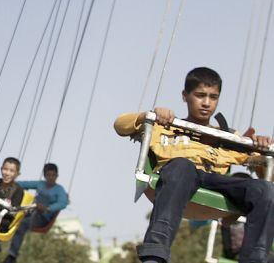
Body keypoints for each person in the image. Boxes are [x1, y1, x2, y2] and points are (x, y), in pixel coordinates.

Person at [114, 66, 274, 263]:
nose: (206, 103)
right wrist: (150, 114)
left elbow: (265, 171)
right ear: (185, 96)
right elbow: (120, 125)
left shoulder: (228, 137)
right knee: (182, 166)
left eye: (213, 97)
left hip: (215, 181)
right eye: (200, 95)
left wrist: (262, 147)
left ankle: (255, 259)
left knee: (266, 189)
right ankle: (155, 254)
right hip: (178, 177)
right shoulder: (167, 127)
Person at [2, 162, 69, 263]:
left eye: (53, 175)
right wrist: (9, 183)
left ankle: (12, 256)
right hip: (30, 211)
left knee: (22, 224)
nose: (51, 178)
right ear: (45, 175)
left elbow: (63, 203)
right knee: (9, 216)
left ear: (56, 176)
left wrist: (47, 208)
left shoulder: (59, 190)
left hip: (43, 217)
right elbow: (24, 184)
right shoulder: (40, 184)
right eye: (48, 175)